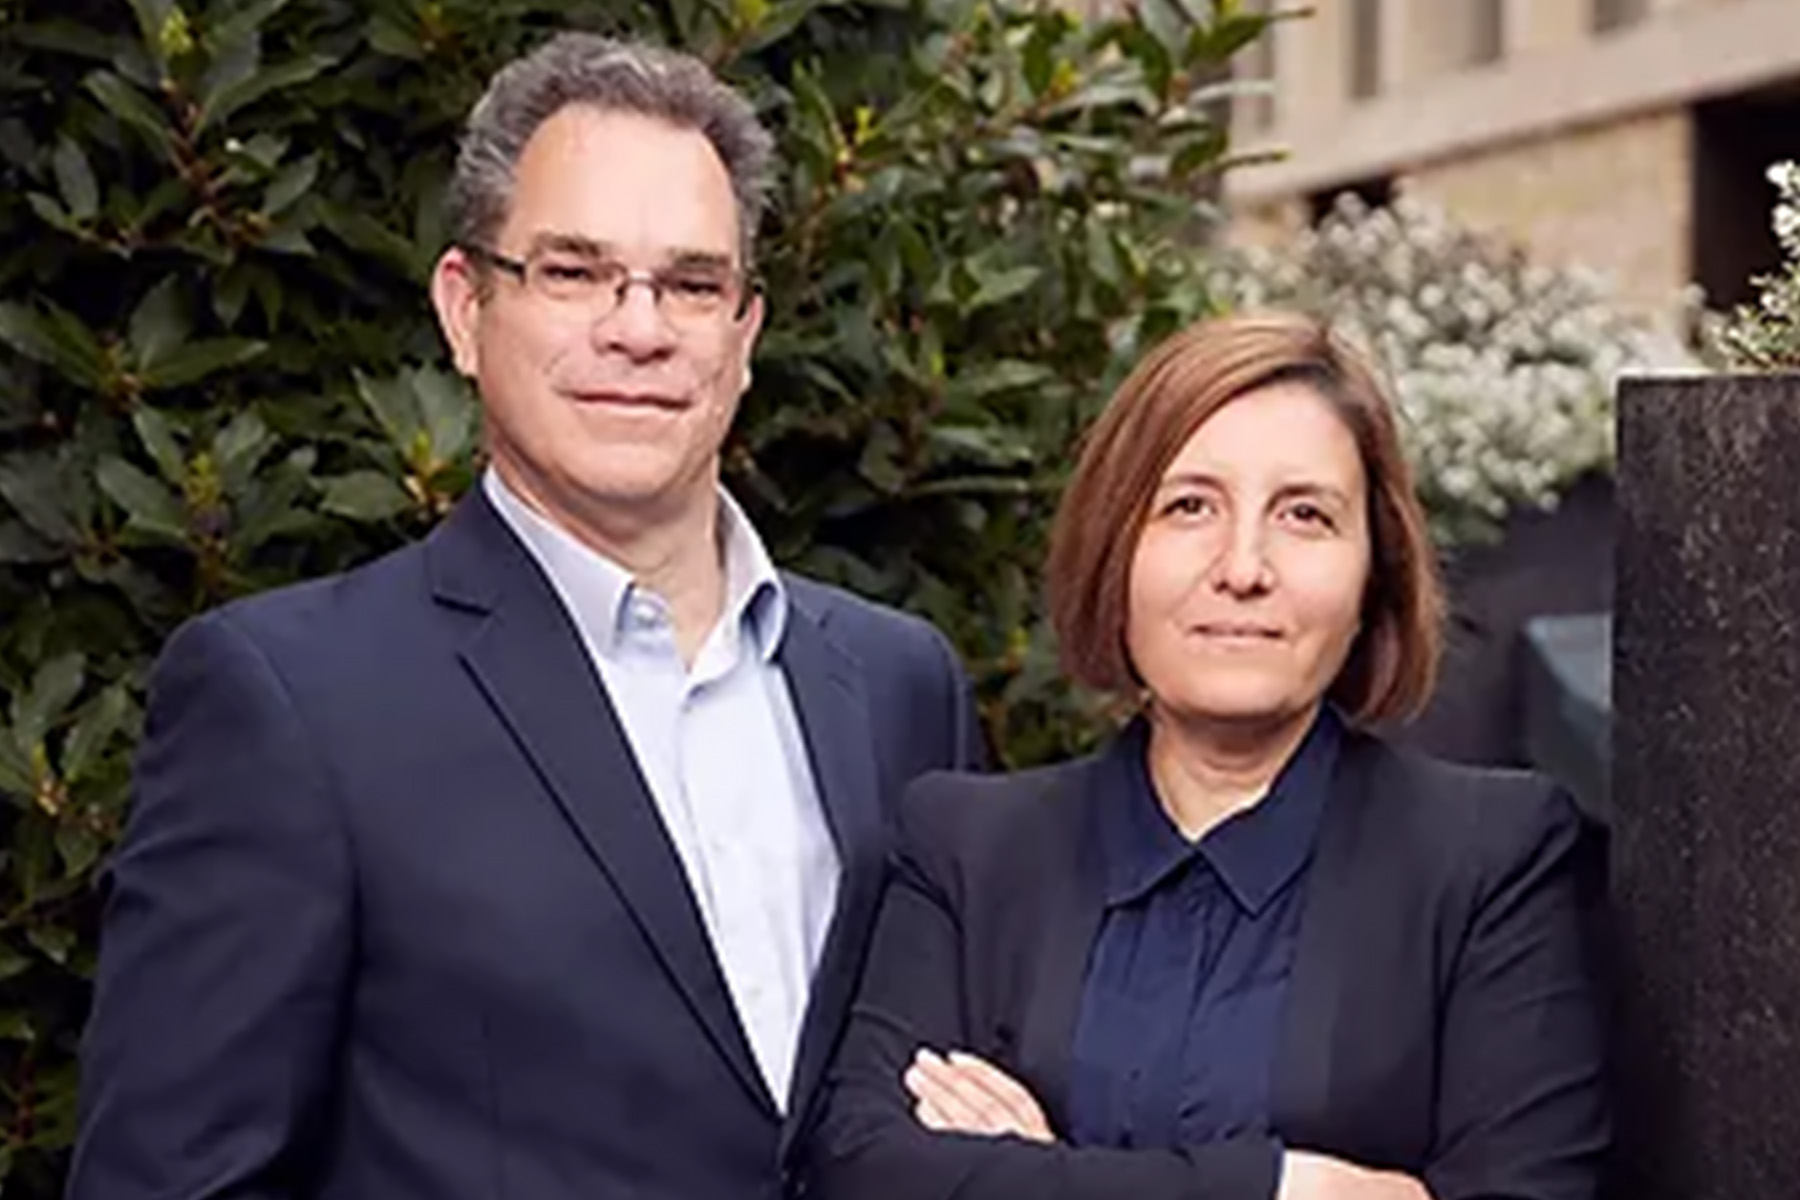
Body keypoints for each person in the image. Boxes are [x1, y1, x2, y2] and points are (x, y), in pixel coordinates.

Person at [68, 32, 982, 1200]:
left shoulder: (901, 686)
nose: (639, 329)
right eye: (574, 272)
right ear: (465, 309)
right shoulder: (293, 702)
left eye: (691, 284)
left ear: (744, 334)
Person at [805, 312, 1609, 1200]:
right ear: (1114, 551)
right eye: (1190, 507)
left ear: (1373, 575)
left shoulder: (1491, 859)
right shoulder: (965, 850)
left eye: (1305, 515)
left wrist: (1034, 1175)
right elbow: (864, 1174)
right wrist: (1276, 1187)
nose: (1243, 567)